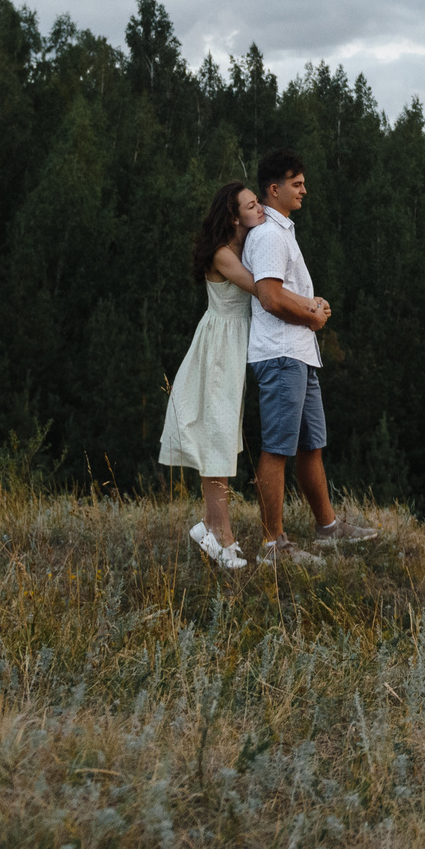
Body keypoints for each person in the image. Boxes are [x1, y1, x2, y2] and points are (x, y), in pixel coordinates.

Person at [243, 147, 379, 563]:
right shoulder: (267, 235)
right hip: (282, 354)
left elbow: (282, 290)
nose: (304, 190)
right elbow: (268, 296)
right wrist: (311, 314)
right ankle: (273, 545)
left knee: (310, 445)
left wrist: (311, 305)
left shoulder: (281, 232)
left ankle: (328, 528)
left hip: (298, 353)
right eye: (296, 184)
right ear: (274, 188)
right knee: (277, 449)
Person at [159, 181, 268, 569]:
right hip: (220, 348)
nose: (261, 210)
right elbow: (260, 289)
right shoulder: (223, 254)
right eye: (252, 205)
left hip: (235, 346)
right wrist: (304, 304)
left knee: (223, 435)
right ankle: (219, 535)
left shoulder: (244, 246)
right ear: (234, 216)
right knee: (218, 437)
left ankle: (211, 526)